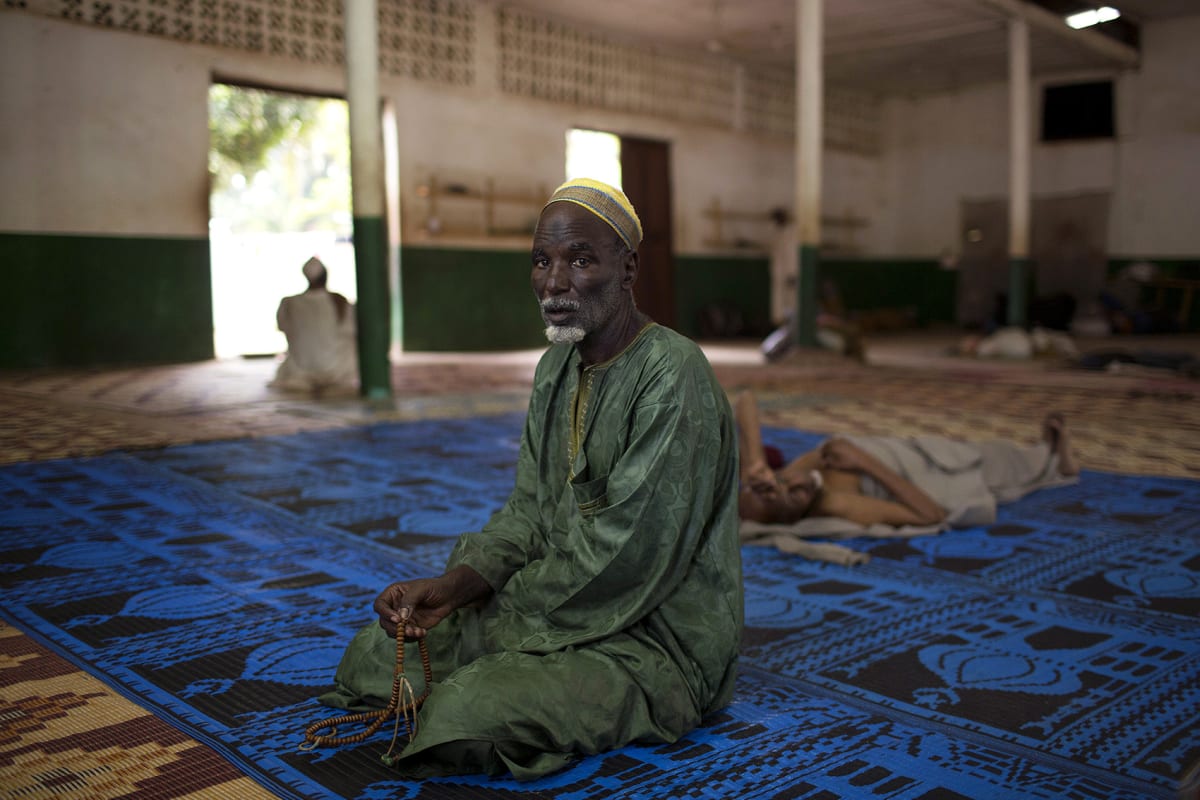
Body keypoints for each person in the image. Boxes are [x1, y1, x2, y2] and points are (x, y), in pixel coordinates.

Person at [318, 178, 743, 781]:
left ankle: (513, 687)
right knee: (372, 656)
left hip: (652, 638)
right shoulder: (555, 367)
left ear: (627, 269)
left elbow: (629, 557)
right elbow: (527, 512)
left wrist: (495, 616)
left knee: (467, 704)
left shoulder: (673, 375)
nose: (555, 282)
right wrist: (458, 585)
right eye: (542, 260)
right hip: (549, 605)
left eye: (581, 259)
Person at [735, 389, 1079, 530]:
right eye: (792, 499)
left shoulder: (789, 472)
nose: (795, 486)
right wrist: (862, 461)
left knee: (992, 449)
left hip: (914, 449)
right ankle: (1056, 462)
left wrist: (754, 461)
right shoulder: (837, 504)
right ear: (800, 514)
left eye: (776, 485)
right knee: (1002, 467)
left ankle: (1045, 452)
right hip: (931, 477)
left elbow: (745, 400)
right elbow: (931, 515)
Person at [270, 256, 357, 393]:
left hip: (299, 367)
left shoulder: (289, 302)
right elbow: (351, 330)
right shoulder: (338, 301)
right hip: (336, 368)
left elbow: (282, 327)